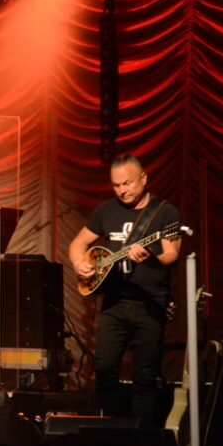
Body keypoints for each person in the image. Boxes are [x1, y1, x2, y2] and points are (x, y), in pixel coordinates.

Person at [68, 153, 181, 427]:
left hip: (150, 304)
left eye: (127, 183)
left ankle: (140, 436)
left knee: (145, 375)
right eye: (117, 185)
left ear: (144, 178)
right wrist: (79, 264)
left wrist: (151, 257)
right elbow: (78, 243)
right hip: (114, 304)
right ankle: (114, 428)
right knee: (104, 369)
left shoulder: (165, 212)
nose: (122, 190)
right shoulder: (106, 210)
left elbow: (172, 254)